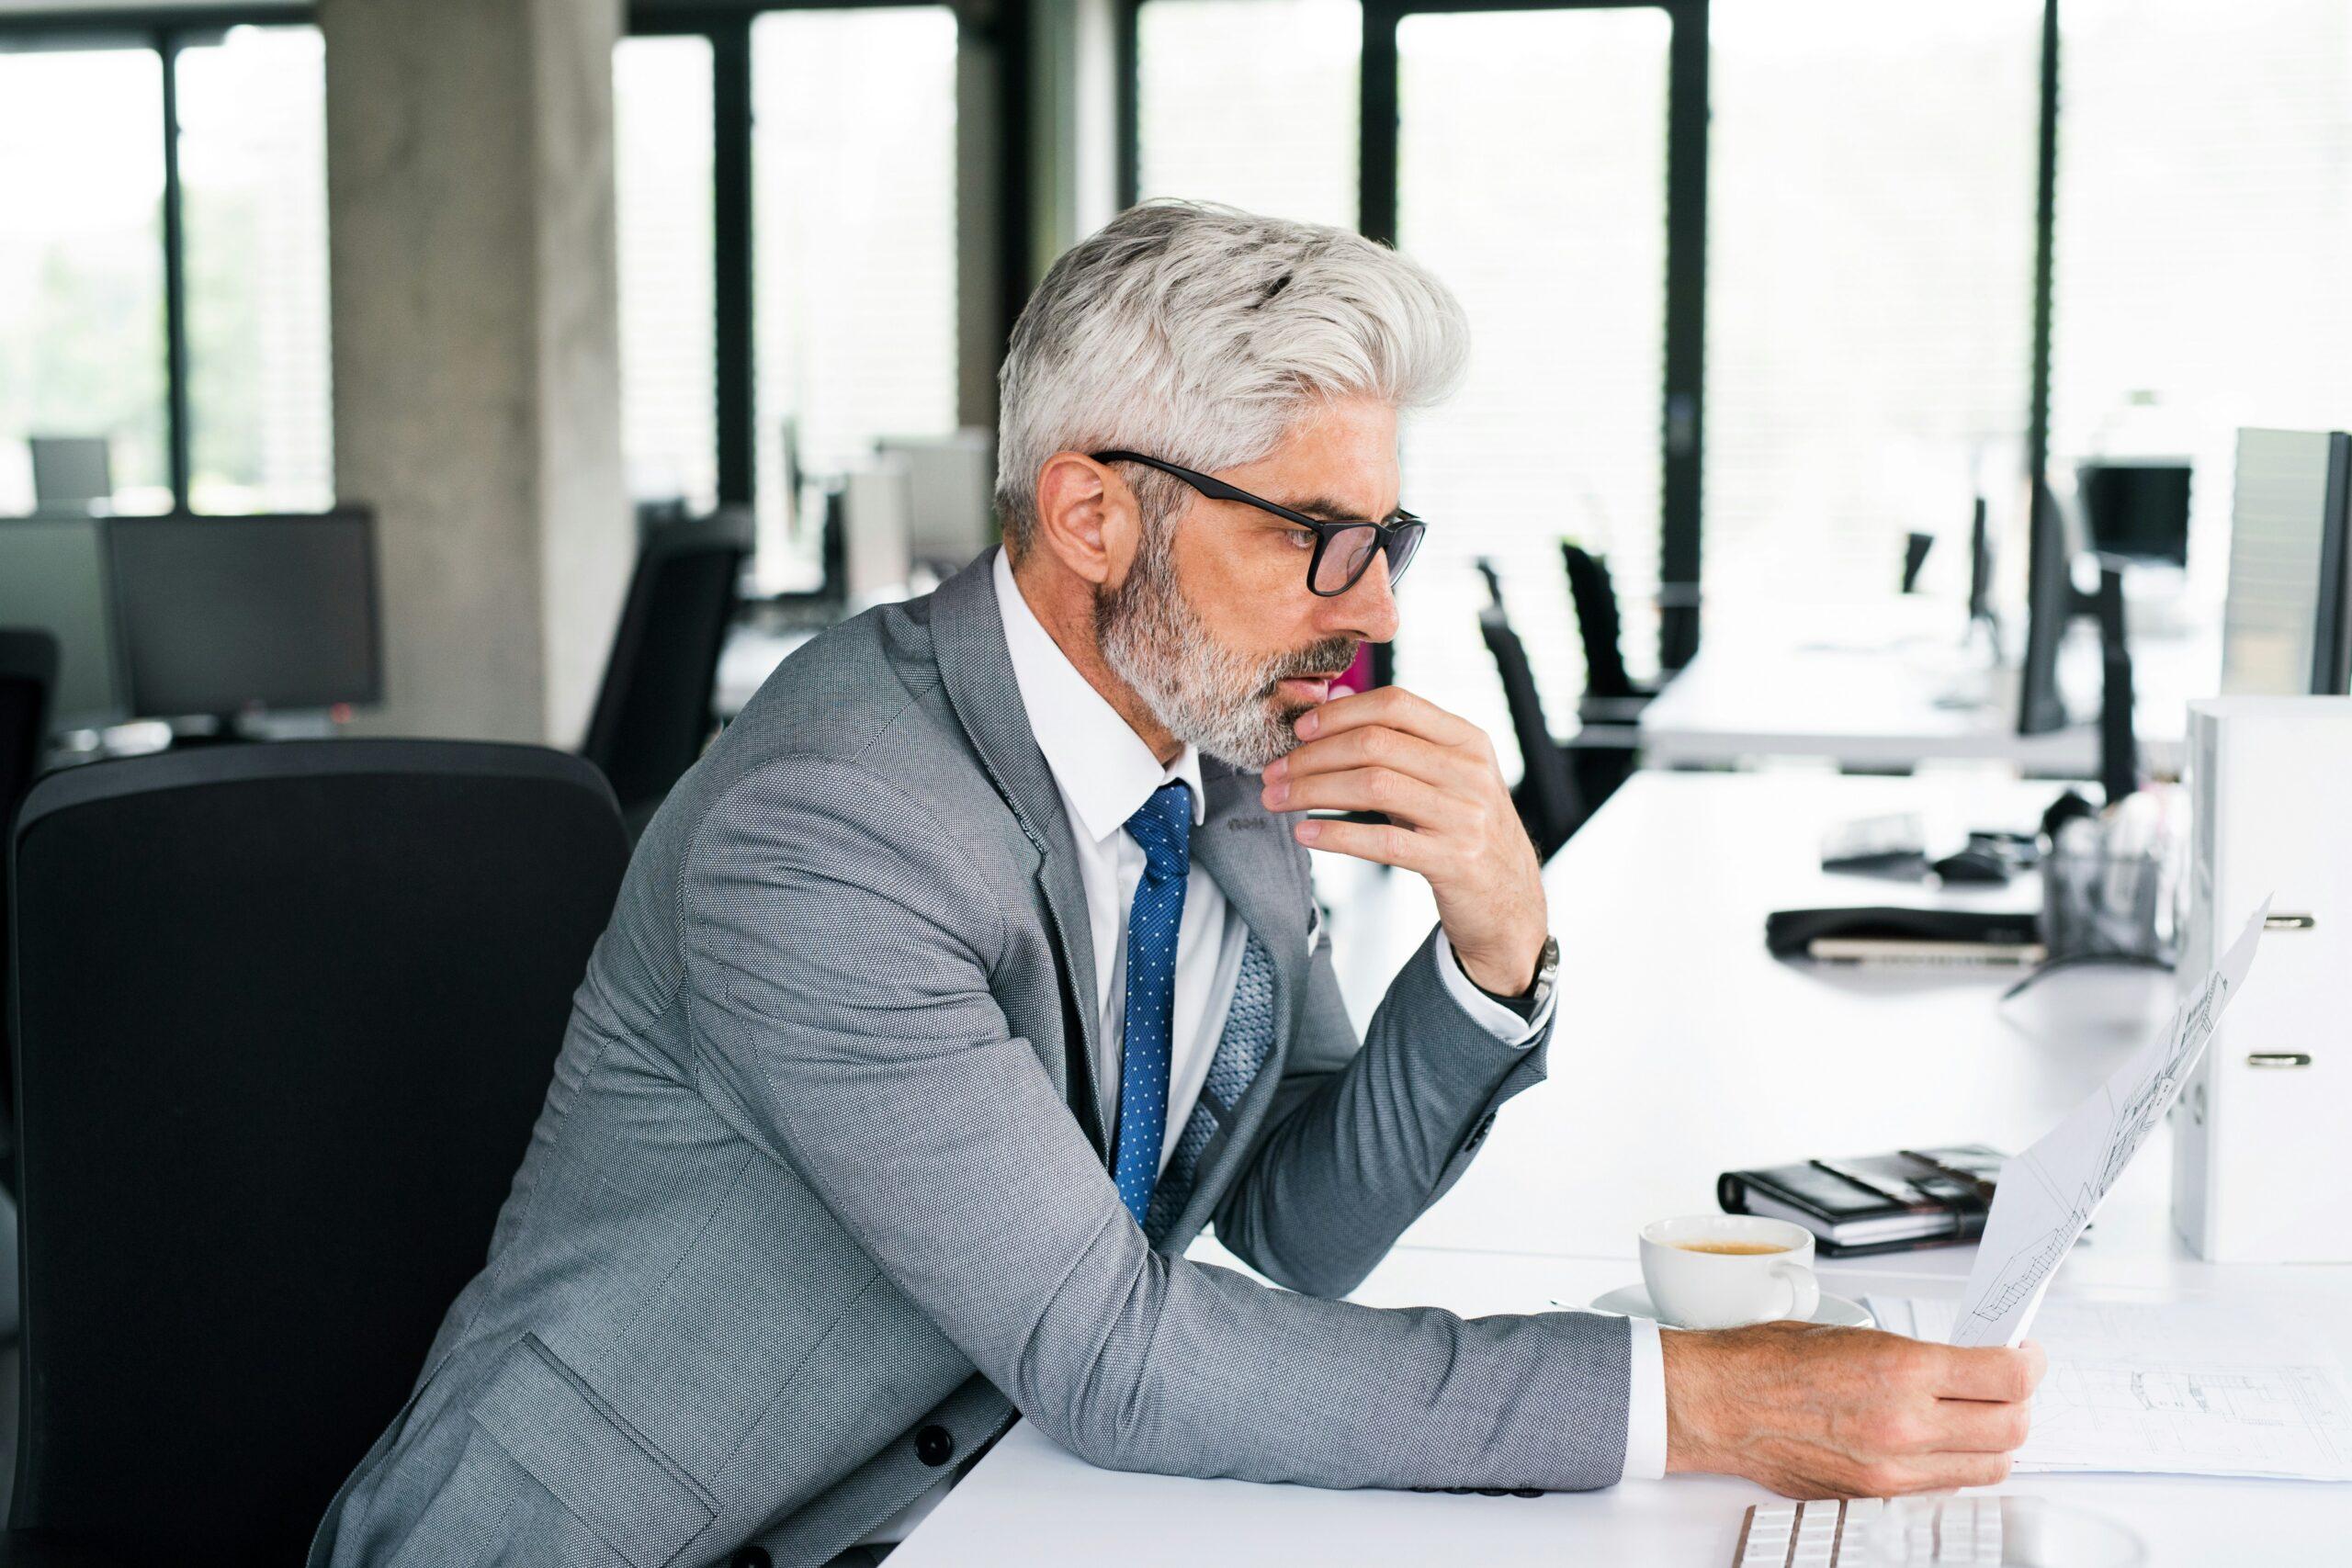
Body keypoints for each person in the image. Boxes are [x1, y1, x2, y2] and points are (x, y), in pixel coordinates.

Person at [311, 201, 2043, 1568]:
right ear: (1090, 516)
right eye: (1317, 537)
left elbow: (1299, 1228)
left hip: (972, 1501)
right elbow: (1121, 1357)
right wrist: (1696, 1405)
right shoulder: (829, 827)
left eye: (1388, 541)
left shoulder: (1217, 750)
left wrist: (1497, 941)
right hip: (649, 1534)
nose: (1370, 611)